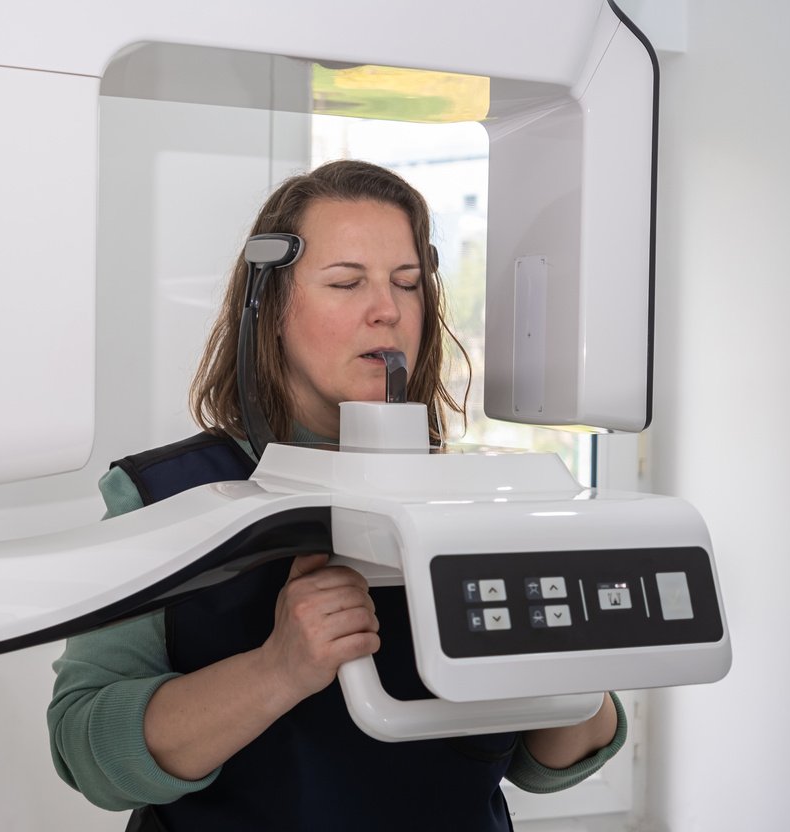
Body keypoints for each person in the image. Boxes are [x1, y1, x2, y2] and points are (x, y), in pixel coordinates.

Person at [48, 160, 626, 831]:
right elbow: (85, 750)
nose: (386, 310)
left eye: (406, 284)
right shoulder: (160, 497)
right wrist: (276, 670)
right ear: (269, 310)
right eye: (346, 282)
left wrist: (569, 658)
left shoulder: (487, 496)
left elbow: (552, 761)